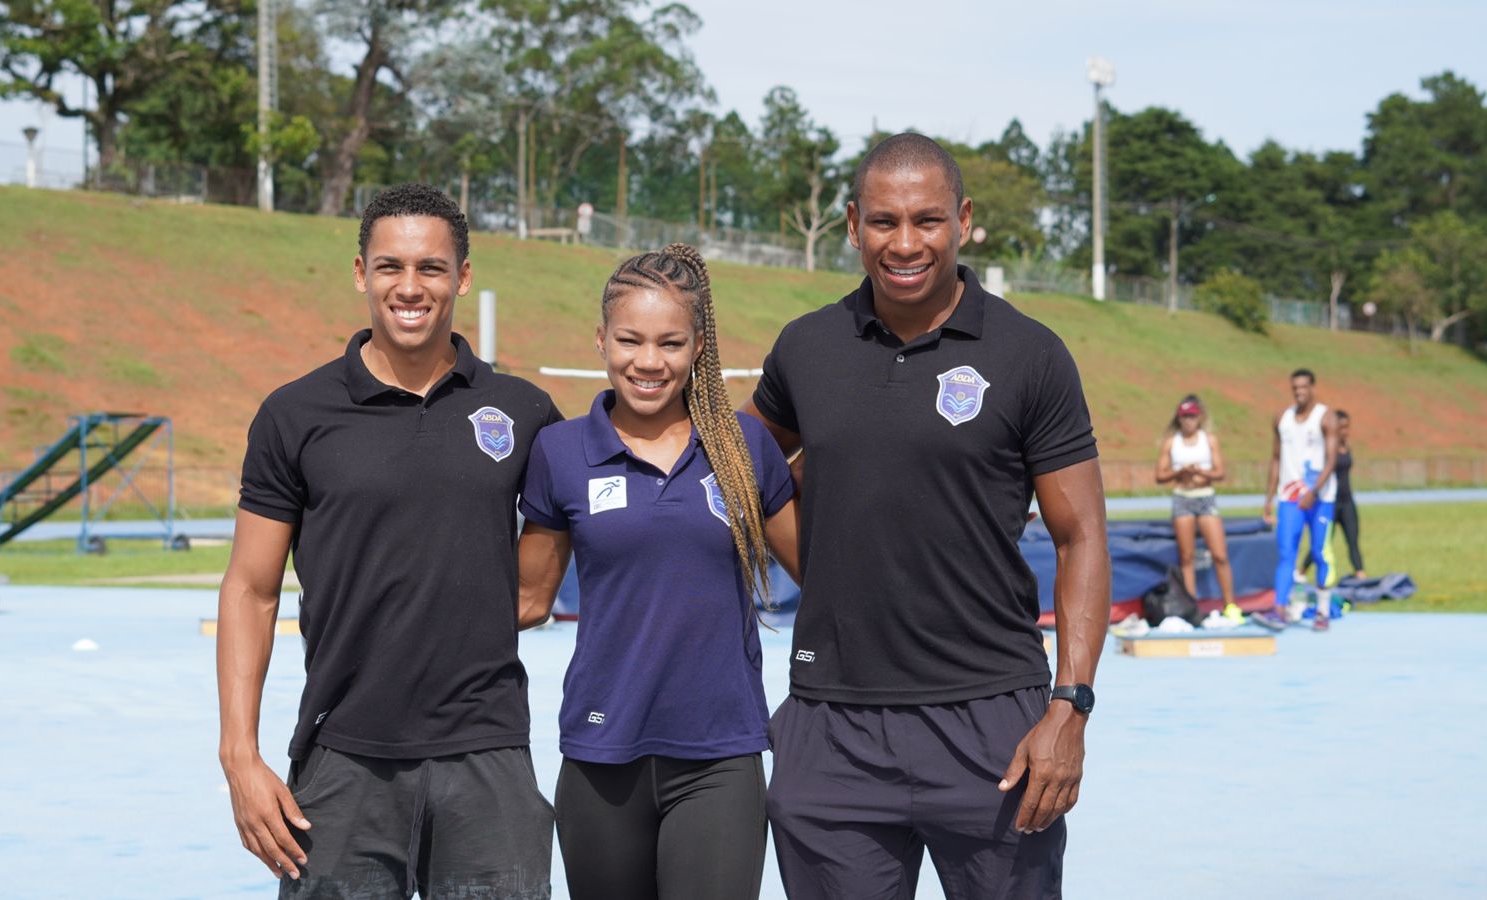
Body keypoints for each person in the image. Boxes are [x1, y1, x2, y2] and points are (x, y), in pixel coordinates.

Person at [744, 132, 1110, 899]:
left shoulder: (1030, 354)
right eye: (883, 221)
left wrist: (1070, 708)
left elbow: (1080, 538)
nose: (904, 243)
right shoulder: (807, 348)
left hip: (992, 726)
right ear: (852, 225)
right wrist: (820, 568)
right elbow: (740, 466)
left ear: (964, 219)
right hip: (832, 725)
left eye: (926, 220)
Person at [216, 183, 562, 898]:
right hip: (343, 760)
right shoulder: (294, 415)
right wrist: (239, 757)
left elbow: (537, 586)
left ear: (463, 276)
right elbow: (250, 590)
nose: (411, 287)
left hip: (489, 757)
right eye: (390, 267)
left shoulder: (524, 413)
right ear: (360, 273)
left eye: (432, 267)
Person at [516, 243, 801, 900]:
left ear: (698, 346)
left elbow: (824, 570)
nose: (649, 361)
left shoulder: (743, 447)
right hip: (600, 752)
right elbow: (528, 598)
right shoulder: (560, 453)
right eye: (630, 340)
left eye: (670, 342)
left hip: (719, 758)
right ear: (600, 340)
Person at [1254, 368, 1339, 632]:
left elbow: (1332, 459)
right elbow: (1276, 458)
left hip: (1320, 497)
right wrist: (1269, 497)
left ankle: (1322, 609)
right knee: (1286, 553)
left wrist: (1314, 491)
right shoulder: (1282, 418)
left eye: (1304, 387)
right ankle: (1279, 609)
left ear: (1313, 387)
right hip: (1289, 497)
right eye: (1295, 388)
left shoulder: (1326, 417)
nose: (1299, 392)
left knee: (1318, 551)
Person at [1155, 395, 1243, 624]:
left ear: (1199, 417)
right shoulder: (1171, 442)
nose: (1188, 422)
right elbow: (1160, 475)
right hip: (1183, 498)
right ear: (1178, 419)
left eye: (1192, 417)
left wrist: (1201, 472)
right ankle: (1190, 605)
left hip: (1205, 498)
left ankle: (1230, 604)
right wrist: (1180, 472)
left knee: (1219, 554)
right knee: (1187, 557)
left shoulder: (1208, 439)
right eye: (1184, 417)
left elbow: (1220, 472)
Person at [1299, 409, 1364, 580]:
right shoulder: (1327, 450)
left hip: (1347, 501)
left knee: (1353, 540)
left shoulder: (1346, 447)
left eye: (1347, 428)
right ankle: (1301, 572)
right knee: (1322, 543)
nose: (1344, 432)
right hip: (1330, 502)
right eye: (1341, 428)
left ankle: (1361, 575)